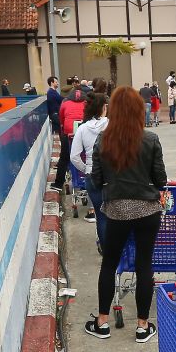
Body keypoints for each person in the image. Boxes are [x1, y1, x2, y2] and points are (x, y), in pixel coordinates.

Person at [87, 86, 167, 344]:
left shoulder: (103, 140)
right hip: (148, 210)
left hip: (117, 211)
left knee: (109, 263)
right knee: (144, 265)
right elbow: (161, 179)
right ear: (138, 111)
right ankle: (143, 326)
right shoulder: (151, 139)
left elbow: (96, 180)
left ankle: (102, 323)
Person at [70, 91, 109, 244]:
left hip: (92, 174)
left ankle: (105, 248)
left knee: (101, 215)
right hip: (111, 175)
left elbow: (74, 156)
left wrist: (86, 167)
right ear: (103, 107)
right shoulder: (112, 125)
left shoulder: (82, 128)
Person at [46, 76, 68, 190]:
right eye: (56, 81)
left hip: (56, 116)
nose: (57, 83)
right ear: (51, 83)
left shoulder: (53, 92)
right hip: (55, 116)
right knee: (63, 140)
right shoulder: (52, 93)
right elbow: (61, 100)